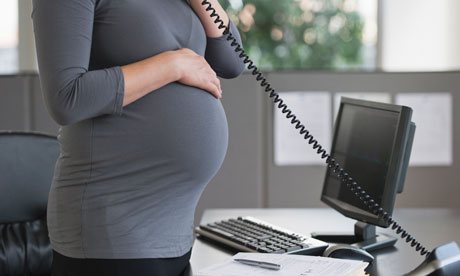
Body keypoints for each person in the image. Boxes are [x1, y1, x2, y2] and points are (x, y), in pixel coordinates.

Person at [31, 0, 245, 275]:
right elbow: (66, 98)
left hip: (173, 233)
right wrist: (173, 64)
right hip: (111, 228)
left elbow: (232, 61)